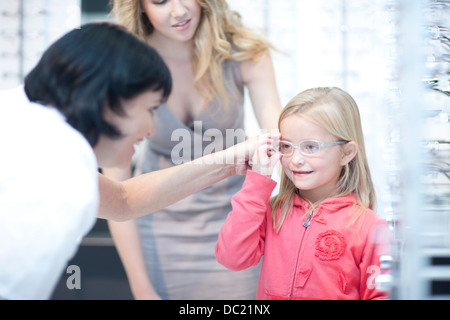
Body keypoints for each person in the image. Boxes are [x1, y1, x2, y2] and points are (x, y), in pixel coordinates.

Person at [0, 22, 273, 300]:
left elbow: (122, 200)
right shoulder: (65, 171)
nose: (153, 129)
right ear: (110, 98)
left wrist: (232, 158)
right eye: (151, 108)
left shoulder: (25, 120)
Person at [105, 0, 282, 300]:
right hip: (158, 227)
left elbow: (279, 142)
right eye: (160, 1)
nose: (179, 11)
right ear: (139, 6)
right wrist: (141, 286)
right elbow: (117, 190)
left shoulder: (245, 52)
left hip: (237, 226)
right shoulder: (123, 67)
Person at [216, 87, 392, 300]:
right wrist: (257, 182)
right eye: (287, 146)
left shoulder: (369, 226)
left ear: (346, 153)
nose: (295, 159)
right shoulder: (273, 213)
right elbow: (232, 257)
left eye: (310, 146)